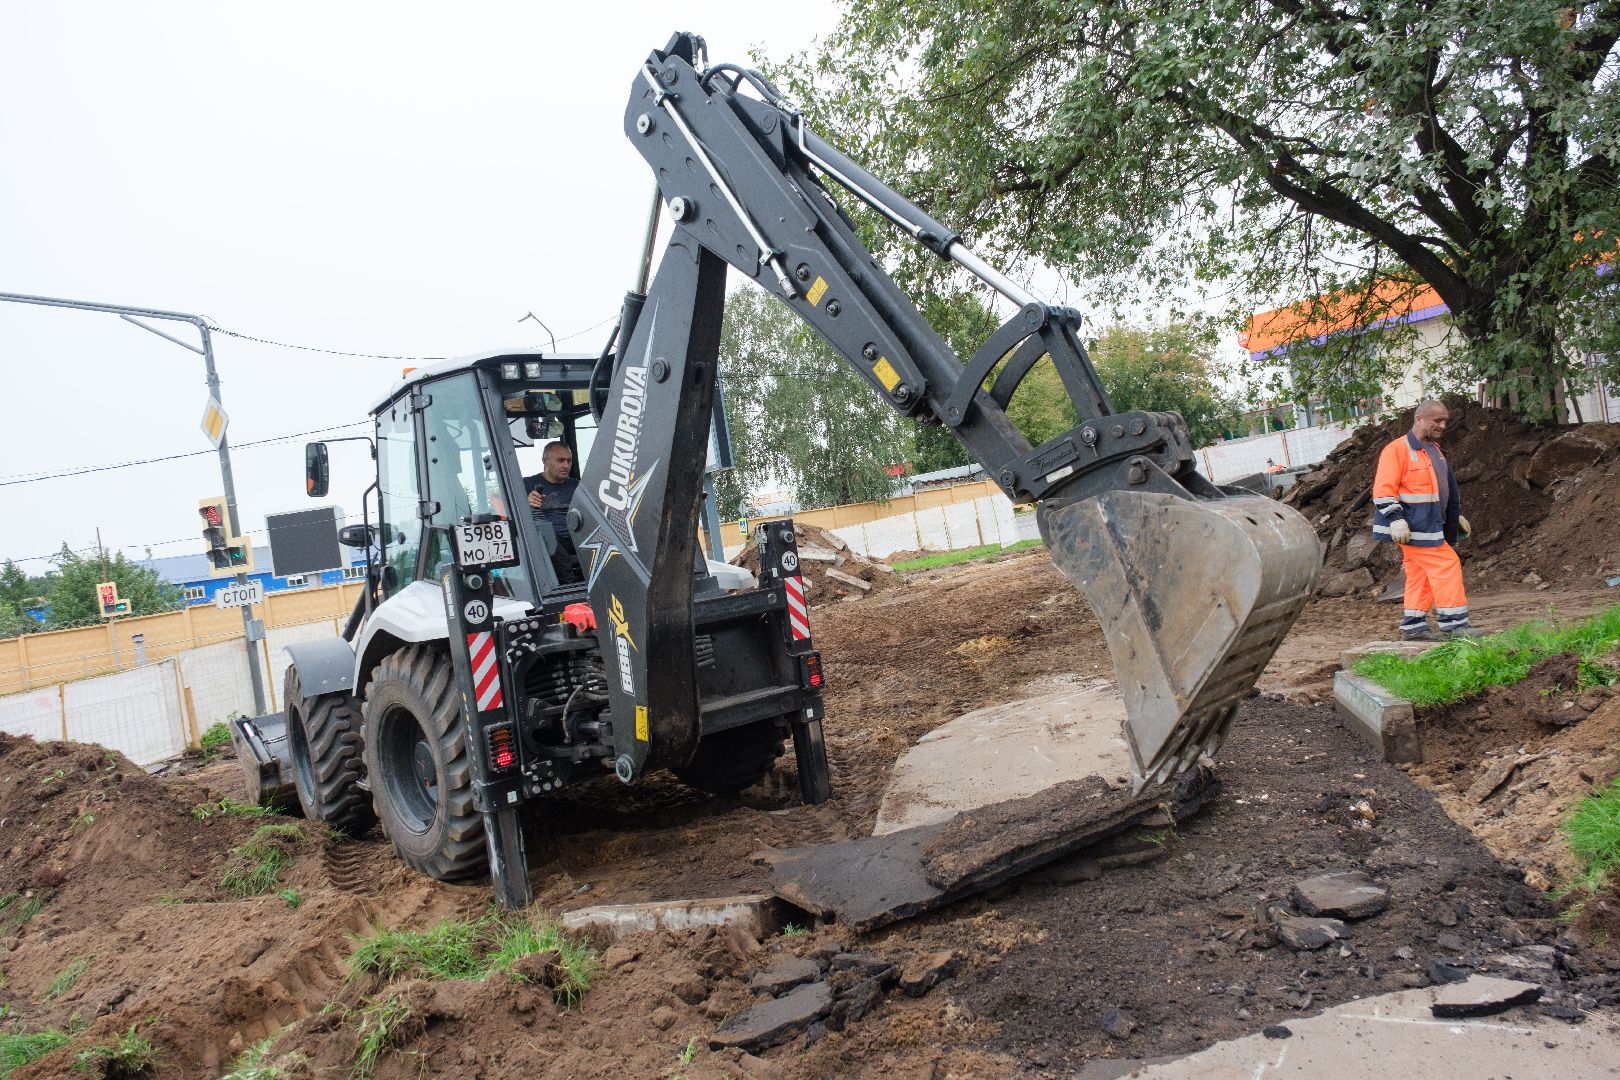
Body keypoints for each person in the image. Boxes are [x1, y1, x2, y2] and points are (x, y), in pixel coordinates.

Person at [1372, 399, 1482, 641]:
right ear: (1419, 419)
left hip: (1428, 524)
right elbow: (1383, 490)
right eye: (1437, 420)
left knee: (1420, 574)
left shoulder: (1434, 450)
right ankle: (1454, 625)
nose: (1442, 426)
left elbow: (1439, 488)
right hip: (1413, 527)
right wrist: (1395, 519)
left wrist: (1454, 516)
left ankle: (1413, 626)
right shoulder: (1397, 450)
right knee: (1447, 564)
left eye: (1445, 421)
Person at [525, 440, 582, 584]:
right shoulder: (527, 484)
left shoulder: (578, 486)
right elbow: (497, 497)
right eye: (560, 460)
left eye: (569, 461)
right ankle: (568, 586)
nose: (566, 465)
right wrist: (525, 503)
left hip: (576, 535)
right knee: (546, 531)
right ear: (545, 461)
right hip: (545, 541)